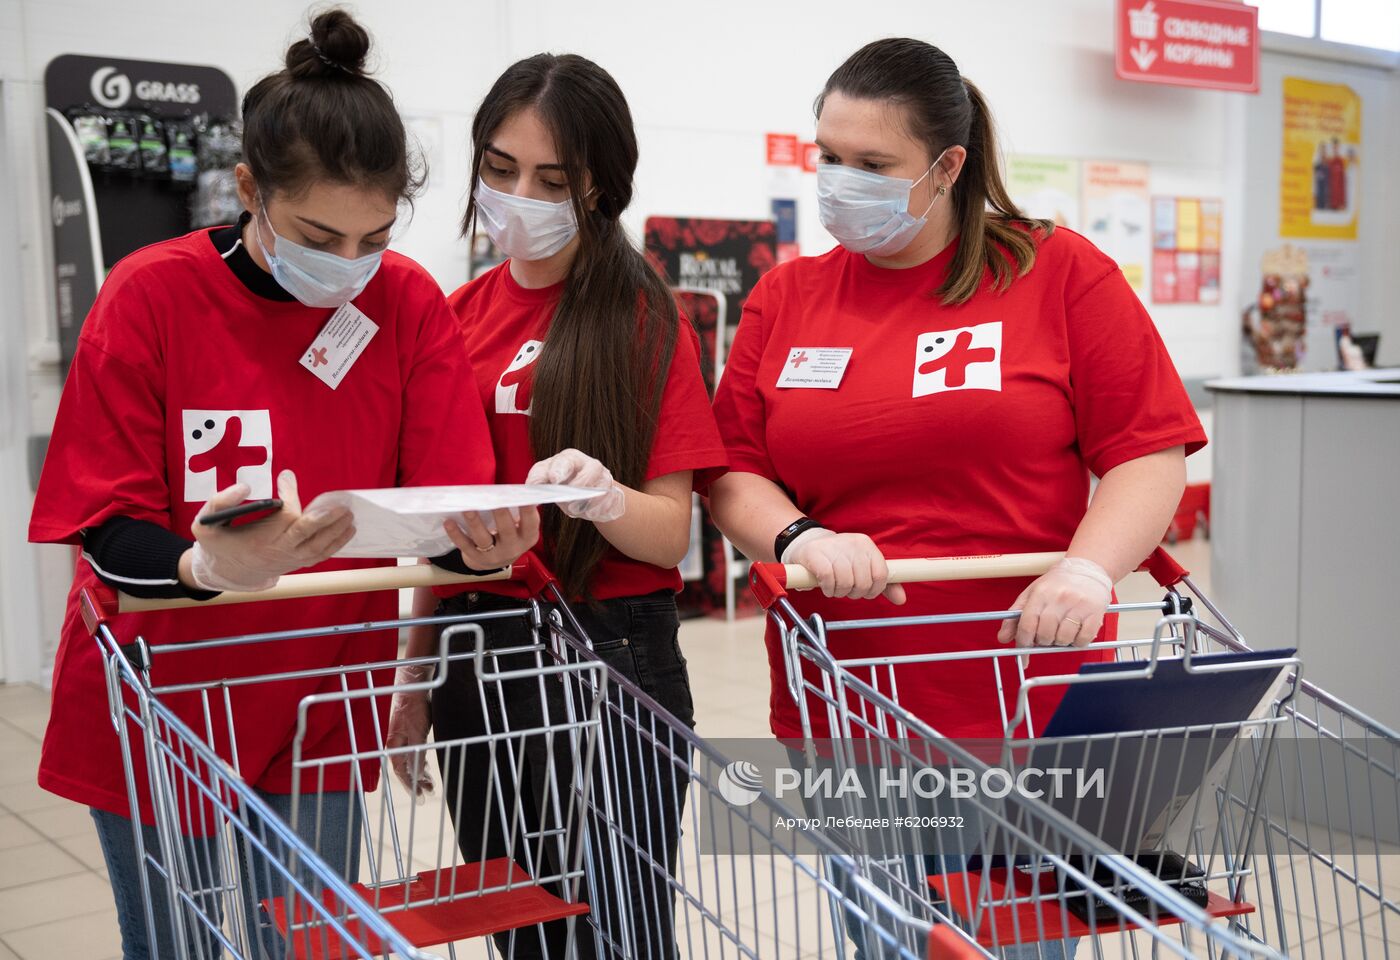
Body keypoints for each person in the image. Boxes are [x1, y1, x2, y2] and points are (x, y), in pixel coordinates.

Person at [28, 11, 536, 959]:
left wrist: (488, 535)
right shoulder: (151, 297)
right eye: (317, 233)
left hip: (320, 687)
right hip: (163, 687)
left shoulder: (407, 303)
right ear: (249, 190)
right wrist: (206, 562)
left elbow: (444, 492)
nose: (349, 267)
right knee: (176, 941)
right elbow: (102, 518)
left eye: (374, 235)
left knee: (306, 944)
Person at [708, 38, 1205, 960]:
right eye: (828, 156)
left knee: (1017, 945)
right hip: (849, 700)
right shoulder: (789, 297)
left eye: (871, 164)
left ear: (947, 167)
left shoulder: (1056, 273)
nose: (838, 181)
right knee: (886, 940)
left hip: (1028, 703)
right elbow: (733, 469)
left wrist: (1091, 570)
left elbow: (1148, 452)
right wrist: (801, 533)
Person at [386, 53, 728, 959]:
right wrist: (416, 675)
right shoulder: (453, 317)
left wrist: (602, 497)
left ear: (600, 189)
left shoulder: (643, 320)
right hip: (474, 647)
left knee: (613, 931)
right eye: (499, 169)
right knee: (519, 927)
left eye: (552, 180)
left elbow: (665, 537)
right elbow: (440, 527)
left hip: (605, 653)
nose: (517, 196)